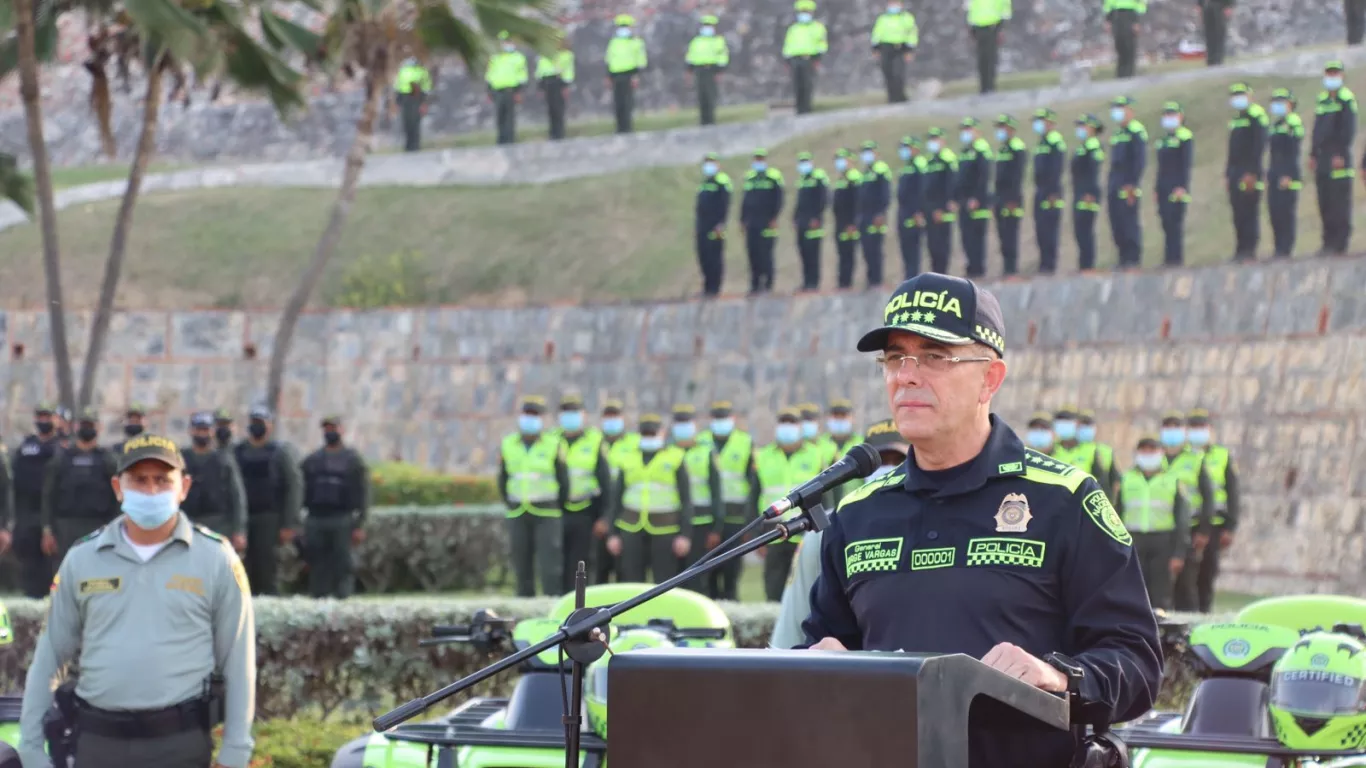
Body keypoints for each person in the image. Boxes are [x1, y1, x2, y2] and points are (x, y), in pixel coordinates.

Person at [800, 272, 1162, 768]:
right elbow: (822, 645)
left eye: (934, 357)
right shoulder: (859, 513)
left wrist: (1058, 677)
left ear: (990, 378)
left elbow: (1137, 663)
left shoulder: (1064, 500)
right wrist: (816, 664)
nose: (906, 375)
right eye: (894, 357)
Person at [18, 434, 256, 768]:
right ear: (118, 487)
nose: (151, 491)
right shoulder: (83, 558)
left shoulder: (217, 559)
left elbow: (239, 661)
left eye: (163, 480)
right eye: (139, 480)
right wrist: (30, 747)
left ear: (184, 487)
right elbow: (50, 657)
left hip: (180, 745)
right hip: (98, 745)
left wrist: (236, 750)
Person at [770, 418, 906, 649]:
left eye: (898, 460)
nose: (888, 468)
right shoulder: (827, 531)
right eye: (881, 461)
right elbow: (790, 632)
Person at [603, 414, 692, 584]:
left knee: (664, 582)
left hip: (666, 530)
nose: (649, 437)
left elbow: (686, 500)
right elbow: (616, 499)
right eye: (645, 434)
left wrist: (685, 535)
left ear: (662, 433)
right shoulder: (628, 458)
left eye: (652, 433)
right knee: (631, 582)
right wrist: (612, 534)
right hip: (630, 529)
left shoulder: (676, 457)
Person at [500, 396, 568, 596]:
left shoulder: (553, 444)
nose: (530, 419)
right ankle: (524, 604)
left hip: (547, 513)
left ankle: (551, 603)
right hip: (518, 511)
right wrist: (511, 501)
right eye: (527, 414)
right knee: (521, 564)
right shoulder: (509, 444)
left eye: (535, 415)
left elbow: (563, 482)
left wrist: (555, 504)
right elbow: (503, 479)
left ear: (543, 419)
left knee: (550, 565)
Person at [233, 404, 303, 596]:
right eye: (254, 422)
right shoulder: (238, 452)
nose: (257, 426)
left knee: (268, 568)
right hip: (244, 519)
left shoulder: (280, 452)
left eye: (261, 423)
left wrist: (289, 524)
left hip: (269, 519)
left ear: (270, 426)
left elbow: (293, 488)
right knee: (243, 570)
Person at [755, 407, 824, 601]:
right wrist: (755, 534)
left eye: (792, 423)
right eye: (783, 423)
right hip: (773, 534)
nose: (787, 427)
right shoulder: (763, 456)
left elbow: (826, 497)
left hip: (806, 532)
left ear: (800, 427)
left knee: (808, 591)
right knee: (773, 590)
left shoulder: (815, 455)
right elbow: (755, 496)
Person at [1174, 409, 1239, 613]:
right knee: (1186, 576)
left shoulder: (1221, 455)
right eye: (1193, 427)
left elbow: (1232, 492)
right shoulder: (1181, 457)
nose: (1197, 432)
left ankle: (1204, 612)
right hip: (1187, 524)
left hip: (1214, 525)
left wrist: (1231, 526)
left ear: (1209, 430)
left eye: (1201, 427)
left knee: (1207, 572)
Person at [299, 415, 370, 599]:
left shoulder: (353, 460)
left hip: (342, 518)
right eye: (327, 429)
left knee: (343, 563)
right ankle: (318, 598)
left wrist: (360, 524)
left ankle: (342, 599)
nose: (330, 432)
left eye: (334, 428)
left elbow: (363, 494)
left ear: (342, 430)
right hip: (316, 518)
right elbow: (301, 489)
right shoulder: (312, 460)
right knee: (317, 562)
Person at [1117, 435, 1190, 610]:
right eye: (1144, 451)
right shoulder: (1126, 479)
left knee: (1160, 592)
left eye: (1152, 451)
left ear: (1161, 453)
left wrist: (1178, 553)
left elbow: (1182, 519)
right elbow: (1116, 514)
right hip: (1133, 539)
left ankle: (1160, 632)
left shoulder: (1173, 480)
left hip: (1162, 540)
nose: (1148, 455)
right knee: (1132, 589)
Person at [41, 407, 120, 565]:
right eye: (84, 424)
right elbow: (48, 495)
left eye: (90, 425)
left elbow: (118, 496)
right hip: (65, 527)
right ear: (76, 426)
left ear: (99, 428)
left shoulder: (108, 460)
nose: (87, 429)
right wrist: (47, 530)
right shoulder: (62, 459)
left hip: (98, 526)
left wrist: (115, 528)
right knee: (64, 575)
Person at [699, 401, 758, 600]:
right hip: (708, 518)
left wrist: (751, 524)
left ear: (732, 419)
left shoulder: (745, 442)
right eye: (717, 418)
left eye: (724, 418)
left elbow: (753, 486)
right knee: (708, 572)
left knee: (732, 571)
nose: (720, 422)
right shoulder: (701, 441)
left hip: (736, 517)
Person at [557, 394, 611, 593]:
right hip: (558, 511)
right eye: (566, 413)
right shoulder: (552, 440)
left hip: (586, 512)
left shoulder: (595, 441)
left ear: (584, 416)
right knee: (557, 564)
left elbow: (606, 484)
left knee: (581, 564)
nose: (570, 418)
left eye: (575, 412)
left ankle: (580, 608)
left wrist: (604, 517)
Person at [10, 403, 62, 599]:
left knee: (52, 565)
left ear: (55, 419)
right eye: (40, 417)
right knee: (28, 563)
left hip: (53, 513)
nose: (43, 421)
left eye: (47, 417)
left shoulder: (62, 447)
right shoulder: (25, 447)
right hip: (27, 513)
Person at [671, 405, 722, 597]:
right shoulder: (666, 452)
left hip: (701, 523)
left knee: (698, 578)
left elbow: (716, 492)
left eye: (687, 422)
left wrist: (717, 527)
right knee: (673, 578)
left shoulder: (706, 453)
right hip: (672, 523)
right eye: (679, 423)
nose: (683, 427)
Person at [180, 411, 247, 550]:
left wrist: (239, 530)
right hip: (187, 521)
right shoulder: (181, 459)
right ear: (191, 430)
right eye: (199, 429)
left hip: (218, 524)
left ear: (212, 431)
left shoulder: (223, 460)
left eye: (206, 430)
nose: (202, 434)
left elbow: (237, 496)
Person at [1312, 61, 1356, 256]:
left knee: (1339, 202)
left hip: (1339, 157)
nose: (1331, 77)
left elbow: (1348, 129)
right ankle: (1327, 243)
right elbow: (1317, 129)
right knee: (1325, 201)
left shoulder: (1346, 99)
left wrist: (1340, 153)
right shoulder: (1322, 100)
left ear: (1342, 76)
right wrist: (1313, 153)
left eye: (1335, 74)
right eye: (1329, 74)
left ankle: (1340, 243)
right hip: (1322, 159)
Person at [1227, 82, 1270, 261]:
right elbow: (1232, 149)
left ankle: (1249, 249)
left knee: (1249, 211)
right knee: (1238, 214)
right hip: (1235, 172)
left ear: (1250, 96)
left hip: (1250, 172)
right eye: (1235, 95)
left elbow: (1258, 146)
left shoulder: (1257, 115)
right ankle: (1240, 249)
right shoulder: (1237, 119)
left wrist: (1252, 172)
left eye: (1241, 94)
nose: (1238, 98)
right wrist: (1227, 173)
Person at [595, 399, 632, 584]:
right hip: (596, 516)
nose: (611, 421)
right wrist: (602, 518)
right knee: (597, 569)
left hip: (624, 515)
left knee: (623, 569)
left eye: (615, 416)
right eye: (608, 416)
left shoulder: (633, 444)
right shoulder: (594, 443)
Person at [1107, 95, 1147, 269]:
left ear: (1130, 110)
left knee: (1129, 220)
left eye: (1121, 108)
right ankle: (1122, 258)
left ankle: (1132, 258)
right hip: (1115, 182)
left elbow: (1139, 160)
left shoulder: (1136, 131)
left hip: (1128, 183)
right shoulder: (1117, 134)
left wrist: (1132, 183)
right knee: (1117, 223)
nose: (1118, 112)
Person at [1155, 101, 1194, 266]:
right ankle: (1168, 258)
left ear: (1180, 116)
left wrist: (1182, 187)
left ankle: (1176, 259)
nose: (1169, 118)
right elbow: (1160, 167)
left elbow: (1185, 164)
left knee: (1175, 222)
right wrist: (1156, 188)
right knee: (1166, 223)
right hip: (1163, 186)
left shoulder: (1185, 136)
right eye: (1166, 114)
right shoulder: (1163, 140)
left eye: (1172, 114)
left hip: (1177, 187)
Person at [1051, 406, 1119, 502]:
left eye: (1068, 420)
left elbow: (1104, 485)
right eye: (1061, 420)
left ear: (1078, 424)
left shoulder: (1092, 451)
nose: (1064, 424)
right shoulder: (1051, 450)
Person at [741, 149, 785, 294]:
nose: (758, 162)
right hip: (752, 223)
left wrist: (774, 217)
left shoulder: (773, 177)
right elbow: (745, 200)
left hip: (767, 222)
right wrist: (742, 219)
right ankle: (755, 284)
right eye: (756, 159)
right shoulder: (750, 178)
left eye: (761, 159)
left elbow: (779, 199)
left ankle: (768, 284)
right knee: (753, 253)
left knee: (766, 253)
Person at [1267, 88, 1304, 258]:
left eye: (1282, 101)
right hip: (1275, 174)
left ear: (1290, 104)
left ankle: (1286, 248)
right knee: (1275, 212)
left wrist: (1287, 175)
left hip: (1288, 175)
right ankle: (1278, 248)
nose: (1278, 105)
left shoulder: (1293, 122)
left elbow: (1293, 150)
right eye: (1275, 101)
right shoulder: (1276, 125)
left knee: (1286, 212)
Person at [955, 118, 993, 278]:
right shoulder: (965, 152)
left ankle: (979, 268)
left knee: (977, 236)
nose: (966, 133)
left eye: (969, 129)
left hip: (978, 203)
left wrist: (976, 197)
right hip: (964, 203)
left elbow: (983, 177)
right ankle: (971, 267)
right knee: (966, 237)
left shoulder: (982, 149)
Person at [1032, 108, 1067, 274]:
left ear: (1050, 123)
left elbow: (1056, 169)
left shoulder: (1055, 141)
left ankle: (1050, 263)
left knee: (1050, 229)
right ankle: (1044, 263)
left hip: (1051, 193)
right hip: (1040, 191)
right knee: (1041, 230)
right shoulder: (1042, 142)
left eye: (1042, 120)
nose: (1039, 124)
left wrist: (1053, 193)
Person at [993, 115, 1027, 277]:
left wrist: (1012, 199)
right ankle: (1006, 268)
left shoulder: (1017, 147)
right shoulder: (1003, 148)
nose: (1000, 131)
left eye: (1003, 127)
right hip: (1000, 198)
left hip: (1011, 199)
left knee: (1011, 232)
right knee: (1003, 235)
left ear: (1011, 129)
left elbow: (1017, 176)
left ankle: (1012, 268)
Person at [857, 141, 894, 288]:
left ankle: (877, 279)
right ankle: (870, 278)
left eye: (869, 151)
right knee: (867, 249)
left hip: (876, 216)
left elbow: (885, 193)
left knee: (875, 248)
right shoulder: (865, 172)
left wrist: (881, 213)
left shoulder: (881, 169)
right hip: (864, 217)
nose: (866, 154)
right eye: (864, 151)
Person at [695, 153, 732, 297]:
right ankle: (707, 286)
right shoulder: (705, 183)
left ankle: (715, 287)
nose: (708, 166)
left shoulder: (722, 181)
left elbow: (724, 204)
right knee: (703, 256)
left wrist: (720, 224)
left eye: (711, 162)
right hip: (702, 226)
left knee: (714, 256)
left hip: (715, 226)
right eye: (706, 163)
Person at [922, 128, 959, 274]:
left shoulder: (948, 159)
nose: (933, 142)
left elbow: (950, 185)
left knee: (942, 245)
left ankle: (943, 273)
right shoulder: (929, 161)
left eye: (935, 139)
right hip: (930, 211)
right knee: (932, 246)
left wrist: (942, 208)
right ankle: (936, 272)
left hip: (942, 211)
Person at [815, 398, 865, 506]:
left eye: (843, 416)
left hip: (857, 504)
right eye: (836, 416)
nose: (839, 420)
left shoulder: (862, 443)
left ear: (852, 418)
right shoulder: (818, 445)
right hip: (826, 506)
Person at [1072, 114, 1106, 271]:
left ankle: (1088, 264)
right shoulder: (1083, 147)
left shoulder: (1094, 146)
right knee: (1080, 231)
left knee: (1086, 229)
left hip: (1088, 194)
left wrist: (1089, 193)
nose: (1080, 129)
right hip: (1079, 193)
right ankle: (1083, 264)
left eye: (1083, 125)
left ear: (1092, 128)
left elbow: (1093, 172)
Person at [793, 151, 830, 291]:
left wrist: (817, 217)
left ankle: (814, 282)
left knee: (813, 252)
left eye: (805, 161)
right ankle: (806, 281)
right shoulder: (802, 180)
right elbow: (799, 202)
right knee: (804, 253)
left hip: (814, 223)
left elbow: (823, 199)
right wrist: (795, 218)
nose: (803, 164)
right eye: (801, 162)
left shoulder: (818, 177)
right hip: (802, 222)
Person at [783, 1, 828, 114]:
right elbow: (788, 45)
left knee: (807, 84)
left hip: (808, 59)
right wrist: (787, 60)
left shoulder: (818, 27)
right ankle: (799, 109)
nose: (804, 14)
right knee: (797, 85)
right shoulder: (793, 29)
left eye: (806, 11)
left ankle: (807, 108)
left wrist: (817, 57)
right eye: (801, 11)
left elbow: (822, 44)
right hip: (795, 59)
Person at [605, 15, 647, 134]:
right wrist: (608, 76)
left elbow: (640, 61)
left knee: (628, 102)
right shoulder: (613, 42)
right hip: (616, 75)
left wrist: (636, 76)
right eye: (621, 26)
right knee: (618, 103)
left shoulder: (636, 42)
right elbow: (609, 59)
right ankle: (620, 128)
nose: (623, 29)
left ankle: (628, 127)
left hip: (629, 75)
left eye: (625, 26)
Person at [871, 2, 919, 103]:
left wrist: (909, 49)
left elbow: (912, 34)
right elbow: (877, 33)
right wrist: (875, 48)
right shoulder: (883, 19)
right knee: (887, 72)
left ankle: (900, 96)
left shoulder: (906, 18)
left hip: (900, 48)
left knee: (898, 73)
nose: (893, 6)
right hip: (886, 48)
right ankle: (892, 97)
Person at [685, 15, 730, 125]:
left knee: (711, 95)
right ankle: (703, 121)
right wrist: (689, 70)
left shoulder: (718, 41)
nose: (707, 28)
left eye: (709, 25)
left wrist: (720, 71)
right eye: (705, 25)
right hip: (699, 71)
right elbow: (690, 56)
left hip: (711, 70)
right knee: (702, 96)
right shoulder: (696, 41)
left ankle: (711, 120)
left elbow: (722, 57)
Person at [486, 31, 528, 145]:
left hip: (511, 91)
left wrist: (519, 92)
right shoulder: (495, 57)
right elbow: (490, 75)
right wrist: (489, 91)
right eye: (504, 42)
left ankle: (510, 140)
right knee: (500, 116)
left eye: (508, 41)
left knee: (510, 117)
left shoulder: (518, 58)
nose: (506, 44)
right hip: (497, 91)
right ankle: (501, 140)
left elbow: (522, 77)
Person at [831, 149, 864, 288]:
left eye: (843, 158)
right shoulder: (841, 178)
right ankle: (842, 282)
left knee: (849, 254)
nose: (840, 162)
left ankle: (847, 282)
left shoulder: (854, 177)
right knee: (842, 254)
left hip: (850, 223)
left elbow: (858, 202)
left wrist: (853, 222)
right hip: (840, 223)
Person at [896, 136, 928, 279]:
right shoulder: (906, 166)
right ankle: (909, 277)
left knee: (914, 249)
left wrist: (919, 211)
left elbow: (922, 190)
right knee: (906, 249)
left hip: (915, 213)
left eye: (907, 147)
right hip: (904, 213)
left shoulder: (920, 164)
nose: (904, 151)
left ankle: (914, 277)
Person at [535, 35, 576, 140]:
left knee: (559, 109)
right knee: (550, 110)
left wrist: (566, 86)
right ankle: (552, 133)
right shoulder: (545, 55)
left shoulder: (566, 55)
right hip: (547, 82)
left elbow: (568, 72)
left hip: (559, 83)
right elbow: (540, 70)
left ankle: (559, 133)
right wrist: (540, 86)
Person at [966, 0, 1011, 94]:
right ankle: (984, 87)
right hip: (978, 26)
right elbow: (969, 7)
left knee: (990, 57)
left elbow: (1005, 8)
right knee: (983, 58)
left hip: (993, 25)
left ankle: (990, 86)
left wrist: (1002, 27)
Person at [1077, 409, 1120, 500]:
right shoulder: (1065, 450)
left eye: (1088, 425)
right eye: (1082, 425)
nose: (1085, 428)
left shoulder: (1105, 450)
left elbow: (1114, 481)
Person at [393, 56, 433, 152]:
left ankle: (410, 145)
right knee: (414, 123)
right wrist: (425, 101)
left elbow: (397, 87)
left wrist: (397, 101)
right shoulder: (422, 71)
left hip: (408, 98)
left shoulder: (403, 71)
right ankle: (414, 145)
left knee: (409, 123)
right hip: (415, 98)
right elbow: (427, 87)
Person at [1104, 0, 1145, 79]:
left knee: (1129, 46)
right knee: (1119, 45)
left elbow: (1141, 4)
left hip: (1131, 15)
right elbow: (1108, 4)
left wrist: (1137, 21)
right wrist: (1108, 20)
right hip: (1116, 15)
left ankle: (1129, 74)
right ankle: (1121, 74)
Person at [1198, 0, 1232, 66]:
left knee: (1219, 32)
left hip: (1220, 5)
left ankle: (1218, 58)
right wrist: (1199, 4)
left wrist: (1228, 5)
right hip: (1207, 5)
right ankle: (1211, 59)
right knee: (1208, 33)